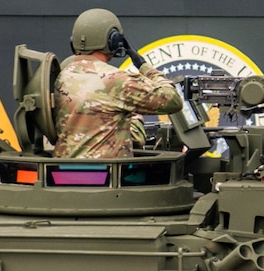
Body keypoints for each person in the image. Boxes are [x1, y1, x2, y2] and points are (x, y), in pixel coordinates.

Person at [52, 9, 184, 159]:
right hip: (106, 176)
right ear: (113, 40)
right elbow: (173, 100)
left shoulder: (63, 74)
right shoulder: (116, 80)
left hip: (63, 172)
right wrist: (142, 65)